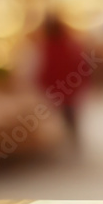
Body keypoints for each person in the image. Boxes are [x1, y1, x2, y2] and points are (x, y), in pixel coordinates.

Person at [37, 16, 89, 146]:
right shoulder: (69, 44)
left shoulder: (47, 47)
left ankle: (67, 140)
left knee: (64, 116)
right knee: (67, 116)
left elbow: (43, 69)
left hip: (58, 89)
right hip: (66, 89)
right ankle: (68, 140)